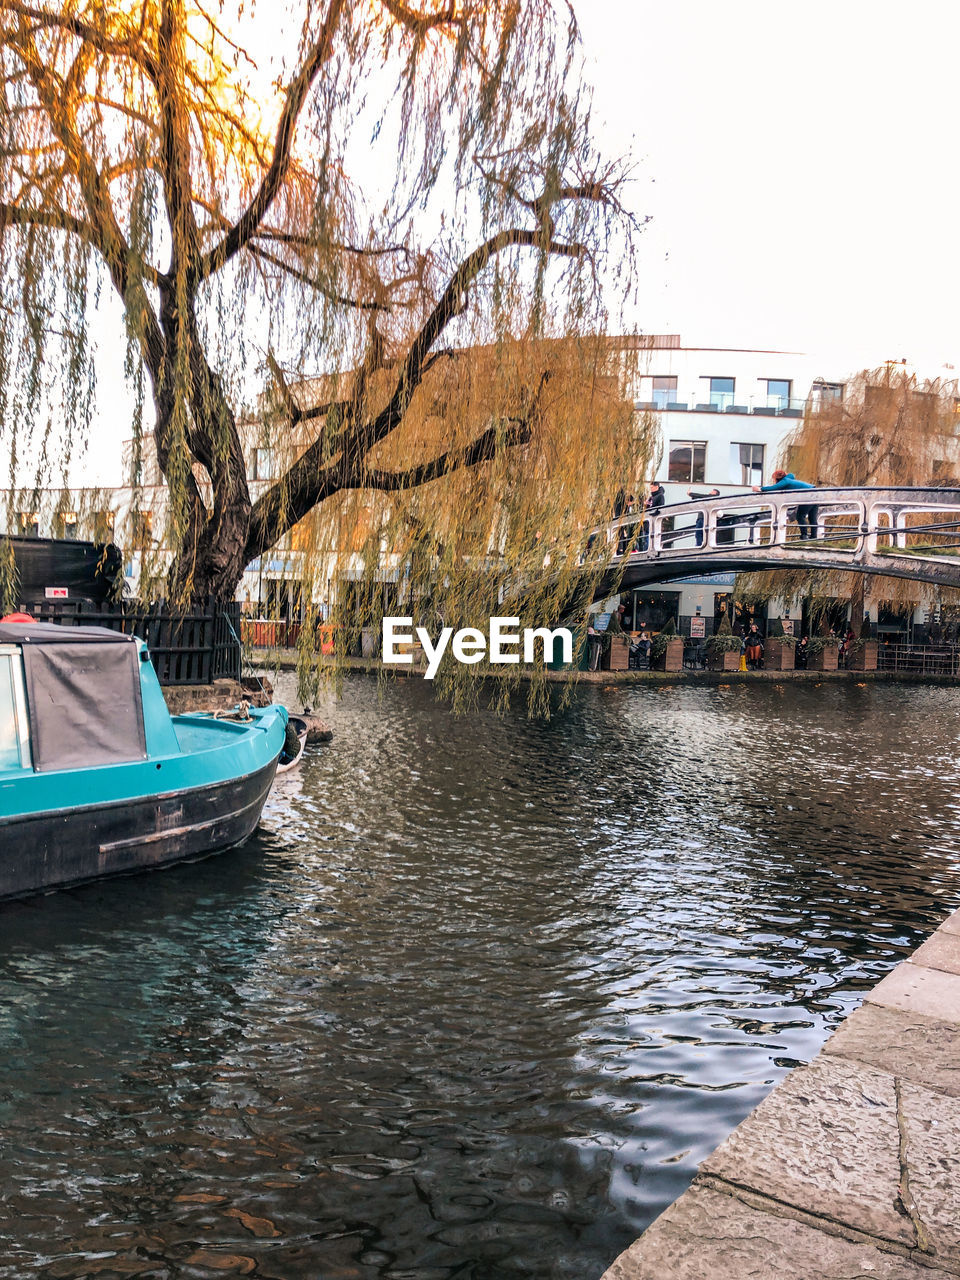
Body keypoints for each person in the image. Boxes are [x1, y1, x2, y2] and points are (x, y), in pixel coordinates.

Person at [753, 469, 817, 539]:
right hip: (816, 493)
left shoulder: (785, 481)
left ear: (777, 479)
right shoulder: (789, 479)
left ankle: (804, 535)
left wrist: (760, 489)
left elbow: (774, 488)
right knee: (812, 517)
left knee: (800, 516)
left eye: (774, 479)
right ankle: (814, 537)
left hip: (807, 495)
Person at [640, 481, 666, 551]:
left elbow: (660, 509)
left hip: (653, 521)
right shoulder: (651, 497)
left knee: (650, 537)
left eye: (652, 487)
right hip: (647, 522)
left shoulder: (660, 496)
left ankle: (650, 550)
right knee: (646, 537)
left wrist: (652, 513)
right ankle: (645, 550)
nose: (650, 489)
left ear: (656, 487)